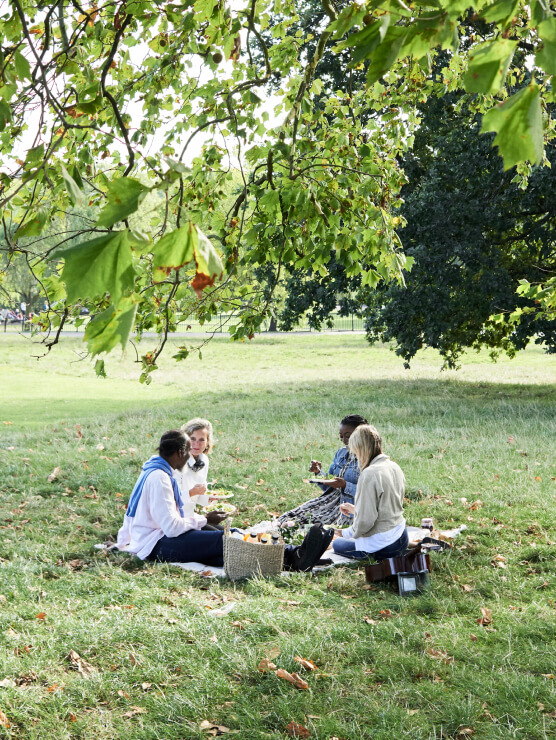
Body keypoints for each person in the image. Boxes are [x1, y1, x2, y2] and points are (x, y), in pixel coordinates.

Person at [117, 429, 332, 571]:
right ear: (179, 452)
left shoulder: (155, 470)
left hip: (160, 537)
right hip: (157, 545)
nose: (190, 458)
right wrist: (204, 519)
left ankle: (293, 556)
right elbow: (172, 528)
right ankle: (294, 556)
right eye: (187, 454)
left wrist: (204, 522)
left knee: (227, 538)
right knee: (223, 542)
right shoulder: (159, 478)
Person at [332, 425, 408, 561]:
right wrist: (356, 510)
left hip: (383, 546)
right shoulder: (394, 466)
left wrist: (343, 532)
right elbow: (386, 507)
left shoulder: (369, 474)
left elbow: (365, 522)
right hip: (402, 537)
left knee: (337, 544)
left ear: (361, 449)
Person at [278, 415, 368, 527]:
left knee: (313, 529)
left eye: (348, 436)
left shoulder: (368, 460)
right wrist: (318, 473)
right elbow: (330, 485)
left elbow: (370, 495)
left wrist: (345, 485)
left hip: (350, 508)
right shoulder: (341, 453)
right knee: (287, 519)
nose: (344, 441)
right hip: (328, 501)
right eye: (341, 436)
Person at [172, 418, 213, 514]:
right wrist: (191, 492)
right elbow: (170, 499)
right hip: (173, 517)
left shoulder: (204, 460)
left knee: (224, 529)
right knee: (219, 530)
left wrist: (209, 498)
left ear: (207, 442)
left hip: (189, 515)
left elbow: (199, 494)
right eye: (192, 439)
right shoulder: (176, 462)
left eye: (202, 440)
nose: (196, 444)